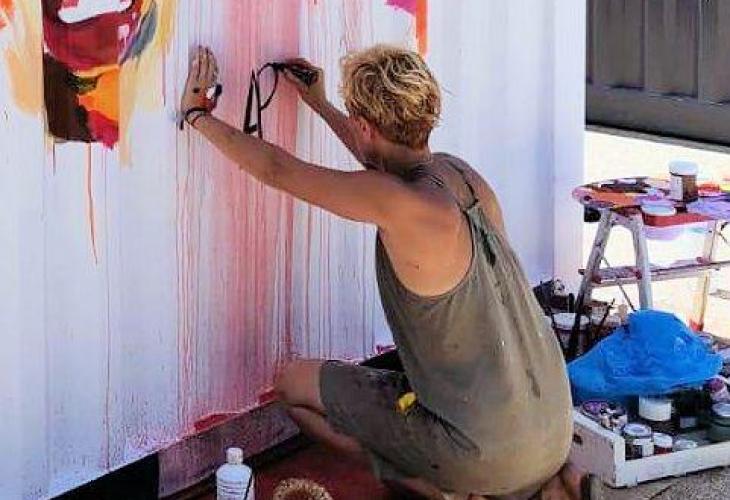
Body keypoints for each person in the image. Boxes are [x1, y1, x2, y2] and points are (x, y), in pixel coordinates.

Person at [180, 45, 597, 500]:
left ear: (364, 126)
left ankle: (443, 489)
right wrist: (321, 104)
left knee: (293, 387)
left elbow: (279, 170)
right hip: (553, 431)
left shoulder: (400, 204)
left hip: (484, 452)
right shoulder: (460, 176)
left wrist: (197, 115)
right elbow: (385, 166)